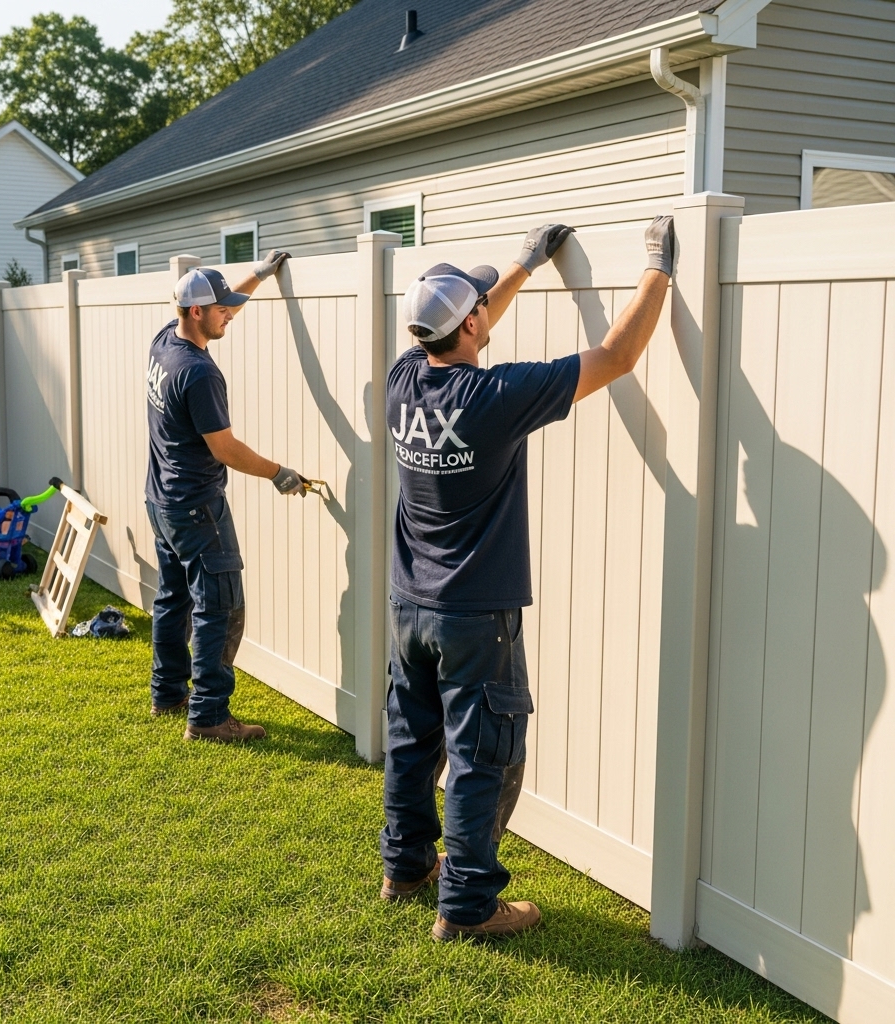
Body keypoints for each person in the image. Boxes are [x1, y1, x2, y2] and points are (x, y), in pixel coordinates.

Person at [380, 216, 674, 940]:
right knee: (484, 755)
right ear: (474, 323)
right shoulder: (495, 399)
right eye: (482, 305)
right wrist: (658, 265)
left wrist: (520, 266)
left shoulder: (403, 379)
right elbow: (619, 354)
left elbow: (464, 331)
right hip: (475, 614)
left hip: (410, 605)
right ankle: (469, 906)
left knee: (414, 742)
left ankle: (404, 867)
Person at [146, 253, 308, 742]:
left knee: (174, 598)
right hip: (197, 507)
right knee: (220, 606)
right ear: (197, 312)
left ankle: (168, 692)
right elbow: (226, 449)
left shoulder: (163, 342)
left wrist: (256, 276)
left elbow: (222, 301)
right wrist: (279, 473)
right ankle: (210, 715)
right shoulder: (199, 373)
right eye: (221, 309)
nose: (229, 314)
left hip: (162, 500)